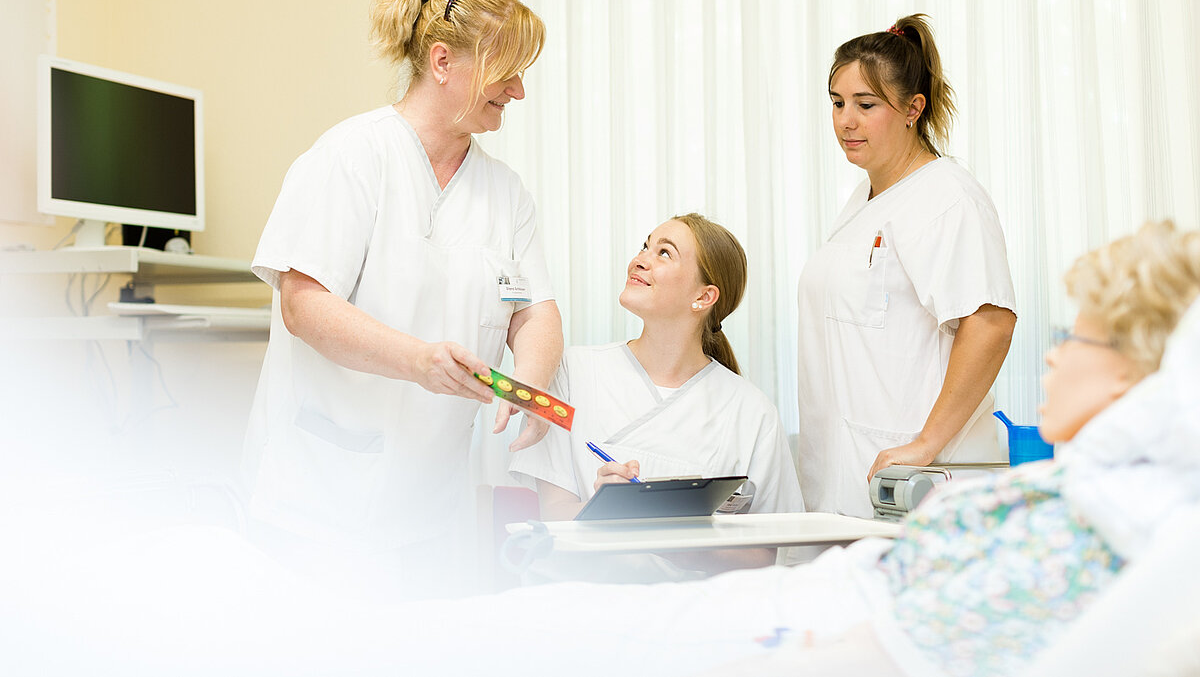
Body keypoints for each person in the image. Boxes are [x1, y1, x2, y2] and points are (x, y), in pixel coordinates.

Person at [25, 222, 1198, 677]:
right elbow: (513, 513)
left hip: (739, 623)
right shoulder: (571, 374)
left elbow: (781, 571)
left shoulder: (1121, 526)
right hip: (571, 582)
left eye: (664, 250)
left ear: (710, 292)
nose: (1045, 359)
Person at [239, 0, 563, 597]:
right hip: (319, 500)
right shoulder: (351, 157)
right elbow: (304, 306)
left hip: (427, 507)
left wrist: (533, 379)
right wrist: (419, 361)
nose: (520, 91)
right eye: (507, 71)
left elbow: (535, 310)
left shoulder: (505, 192)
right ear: (443, 61)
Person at [796, 14, 1018, 517]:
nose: (845, 120)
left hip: (916, 481)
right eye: (837, 103)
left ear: (913, 108)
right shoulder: (865, 201)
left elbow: (989, 322)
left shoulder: (946, 197)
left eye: (866, 105)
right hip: (850, 476)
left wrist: (926, 443)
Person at [509, 213, 805, 578]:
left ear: (703, 296)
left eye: (665, 253)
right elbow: (553, 514)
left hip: (690, 617)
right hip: (580, 603)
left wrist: (661, 532)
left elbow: (767, 553)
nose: (640, 258)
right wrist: (605, 512)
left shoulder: (751, 411)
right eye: (645, 246)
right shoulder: (569, 372)